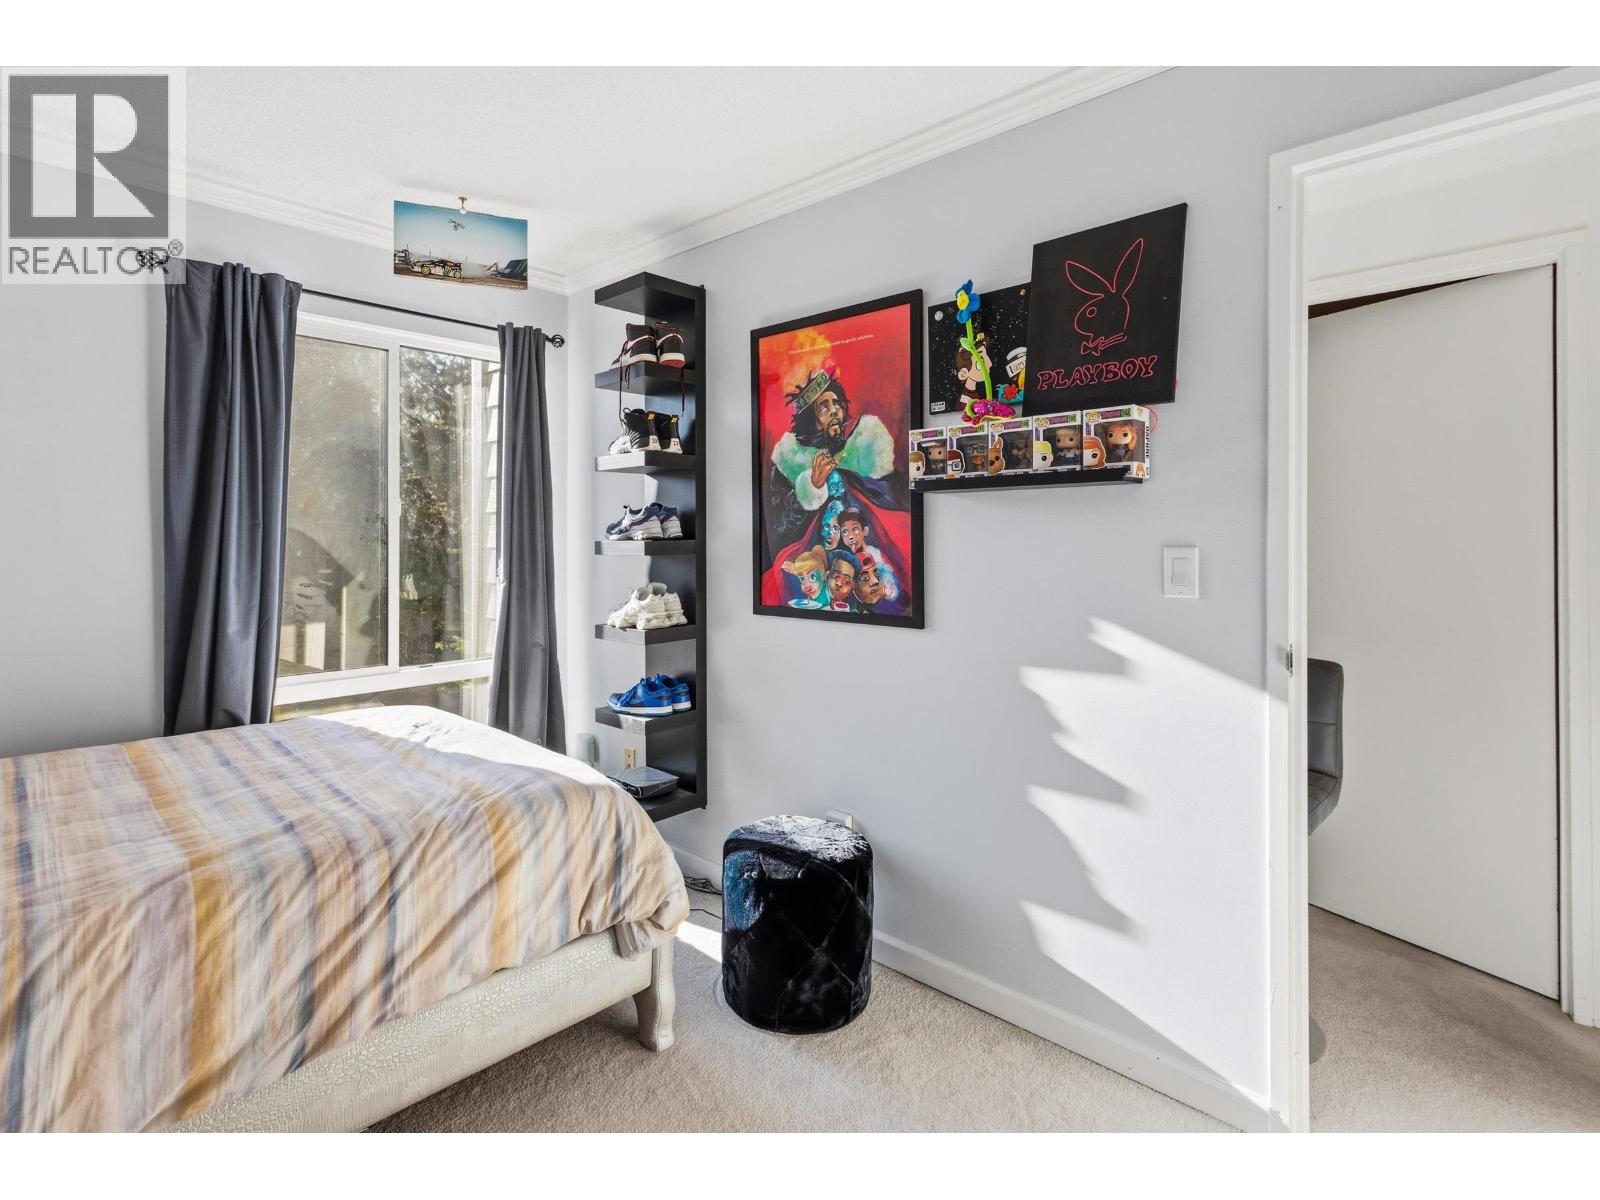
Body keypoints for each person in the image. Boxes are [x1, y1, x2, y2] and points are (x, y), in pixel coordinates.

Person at [762, 362, 911, 614]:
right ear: (811, 419)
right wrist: (812, 487)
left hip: (866, 537)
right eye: (824, 407)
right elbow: (780, 520)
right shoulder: (792, 459)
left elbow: (890, 493)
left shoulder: (864, 443)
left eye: (837, 404)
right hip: (820, 544)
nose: (834, 411)